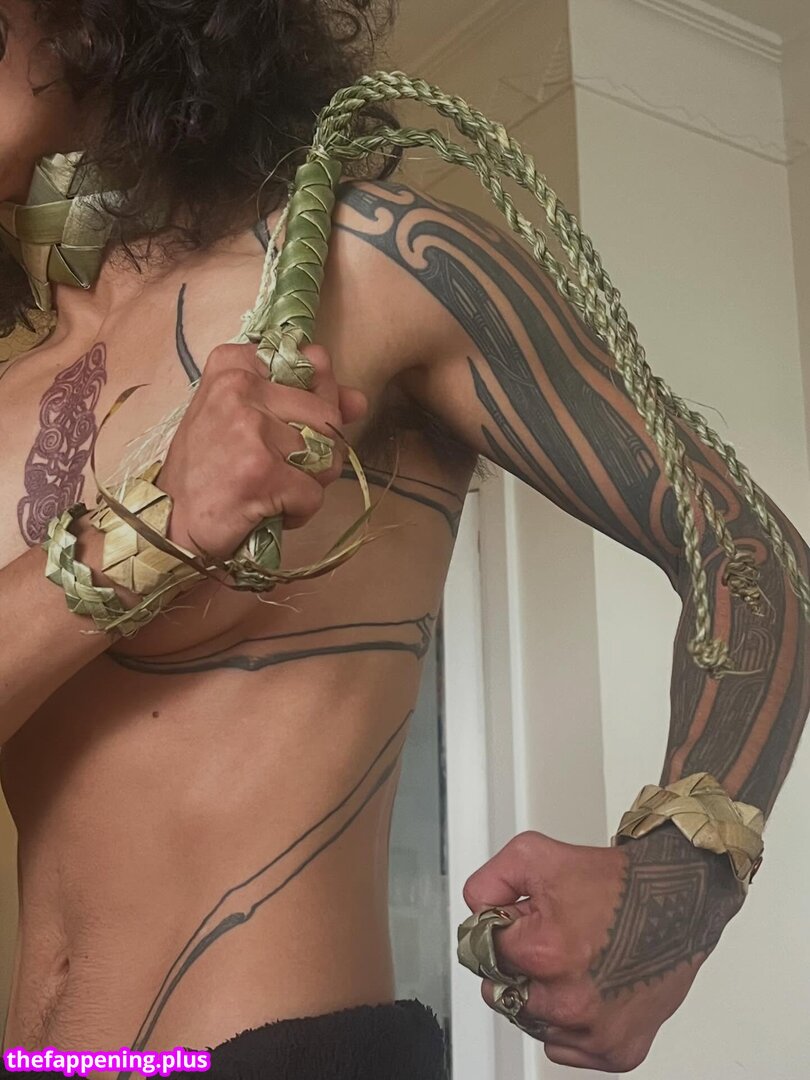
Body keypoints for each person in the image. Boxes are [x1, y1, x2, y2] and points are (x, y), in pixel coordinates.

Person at [1, 1, 808, 1077]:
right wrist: (151, 531)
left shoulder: (366, 262)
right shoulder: (9, 391)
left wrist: (680, 882)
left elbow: (748, 552)